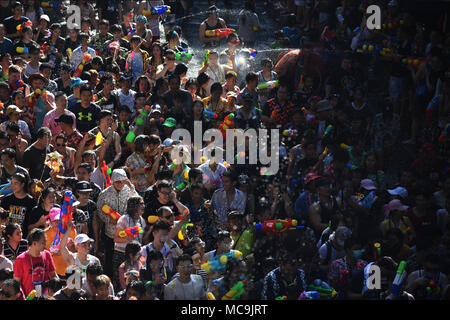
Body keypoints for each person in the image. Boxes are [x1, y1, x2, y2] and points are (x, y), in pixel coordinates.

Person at [96, 168, 139, 280]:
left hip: (126, 233)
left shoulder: (129, 190)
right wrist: (109, 220)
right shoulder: (104, 194)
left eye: (122, 181)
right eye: (117, 182)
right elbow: (99, 211)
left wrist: (131, 186)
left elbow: (138, 202)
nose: (120, 184)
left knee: (126, 260)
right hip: (111, 233)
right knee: (110, 259)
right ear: (112, 181)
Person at [113, 197, 149, 289]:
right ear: (133, 206)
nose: (143, 206)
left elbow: (142, 237)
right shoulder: (124, 219)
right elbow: (116, 238)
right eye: (140, 204)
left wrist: (150, 230)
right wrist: (127, 239)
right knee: (121, 281)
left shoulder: (142, 220)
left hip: (136, 255)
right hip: (122, 254)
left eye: (143, 203)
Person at [13, 228, 57, 297]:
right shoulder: (21, 259)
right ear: (34, 243)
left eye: (45, 242)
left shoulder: (47, 254)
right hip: (29, 297)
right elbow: (17, 282)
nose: (45, 245)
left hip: (45, 296)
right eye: (43, 243)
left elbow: (53, 275)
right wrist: (23, 297)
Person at [44, 207, 78, 279]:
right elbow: (42, 253)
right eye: (54, 220)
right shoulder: (45, 234)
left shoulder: (71, 231)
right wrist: (54, 253)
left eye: (59, 220)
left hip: (70, 270)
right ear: (49, 220)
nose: (57, 223)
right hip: (53, 272)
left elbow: (76, 250)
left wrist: (67, 250)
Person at [1, 173, 36, 239]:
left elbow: (31, 222)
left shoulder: (30, 201)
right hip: (8, 236)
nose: (12, 186)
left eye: (16, 183)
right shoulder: (6, 199)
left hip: (23, 236)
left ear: (22, 184)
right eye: (11, 183)